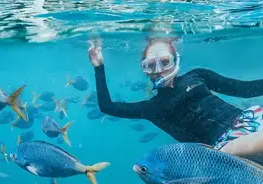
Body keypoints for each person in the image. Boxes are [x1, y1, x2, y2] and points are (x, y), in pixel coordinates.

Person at [88, 37, 263, 163]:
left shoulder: (198, 75)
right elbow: (107, 107)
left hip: (251, 119)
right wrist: (98, 66)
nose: (159, 70)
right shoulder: (151, 108)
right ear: (145, 70)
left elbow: (244, 89)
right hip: (227, 147)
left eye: (165, 62)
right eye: (150, 65)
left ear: (175, 61)